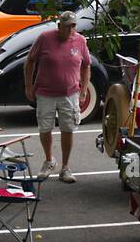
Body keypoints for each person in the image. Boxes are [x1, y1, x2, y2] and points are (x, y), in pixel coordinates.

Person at [23, 11, 91, 183]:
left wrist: (83, 90)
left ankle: (65, 167)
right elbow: (30, 61)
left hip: (70, 93)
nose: (70, 29)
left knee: (68, 129)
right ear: (59, 26)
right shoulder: (45, 38)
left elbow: (86, 66)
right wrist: (29, 85)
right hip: (45, 92)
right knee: (45, 128)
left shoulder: (80, 41)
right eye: (67, 26)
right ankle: (49, 160)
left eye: (73, 26)